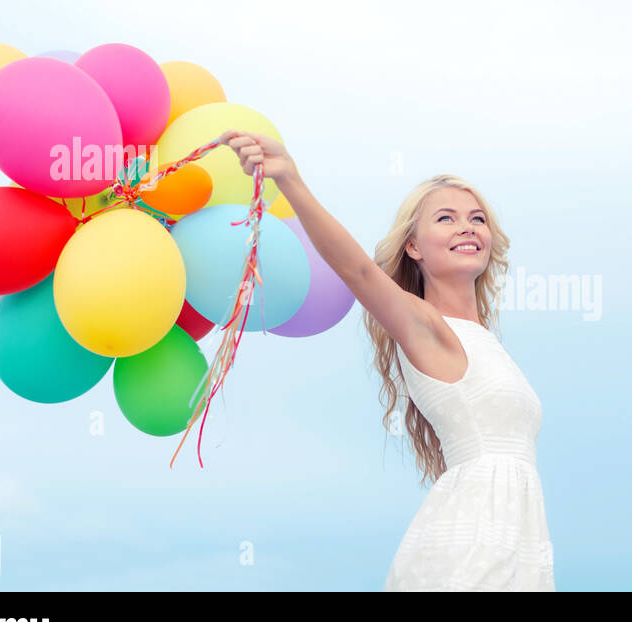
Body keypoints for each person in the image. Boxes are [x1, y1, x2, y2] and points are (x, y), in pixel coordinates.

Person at [220, 130, 555, 591]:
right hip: (471, 549)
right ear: (414, 247)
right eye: (445, 218)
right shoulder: (425, 324)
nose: (467, 226)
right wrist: (290, 180)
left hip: (516, 546)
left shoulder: (486, 344)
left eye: (477, 218)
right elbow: (357, 271)